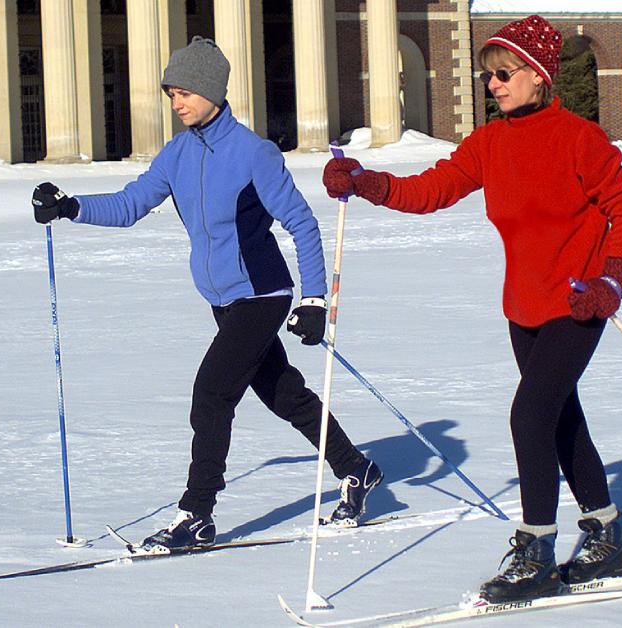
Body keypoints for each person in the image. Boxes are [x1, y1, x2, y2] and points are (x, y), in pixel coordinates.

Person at [321, 15, 622, 602]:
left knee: (529, 415)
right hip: (523, 308)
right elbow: (431, 189)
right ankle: (605, 532)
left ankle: (535, 548)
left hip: (578, 303)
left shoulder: (579, 138)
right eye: (487, 74)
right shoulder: (490, 143)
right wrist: (366, 181)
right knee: (559, 418)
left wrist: (611, 278)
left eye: (503, 73)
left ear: (538, 75)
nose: (492, 84)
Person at [32, 36, 382, 553]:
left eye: (186, 92)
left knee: (212, 395)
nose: (177, 103)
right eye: (171, 93)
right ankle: (356, 469)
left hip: (262, 295)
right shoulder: (175, 155)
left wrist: (313, 301)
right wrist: (71, 207)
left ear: (213, 91)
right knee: (283, 394)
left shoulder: (253, 154)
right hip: (222, 301)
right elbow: (131, 205)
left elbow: (302, 225)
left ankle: (197, 515)